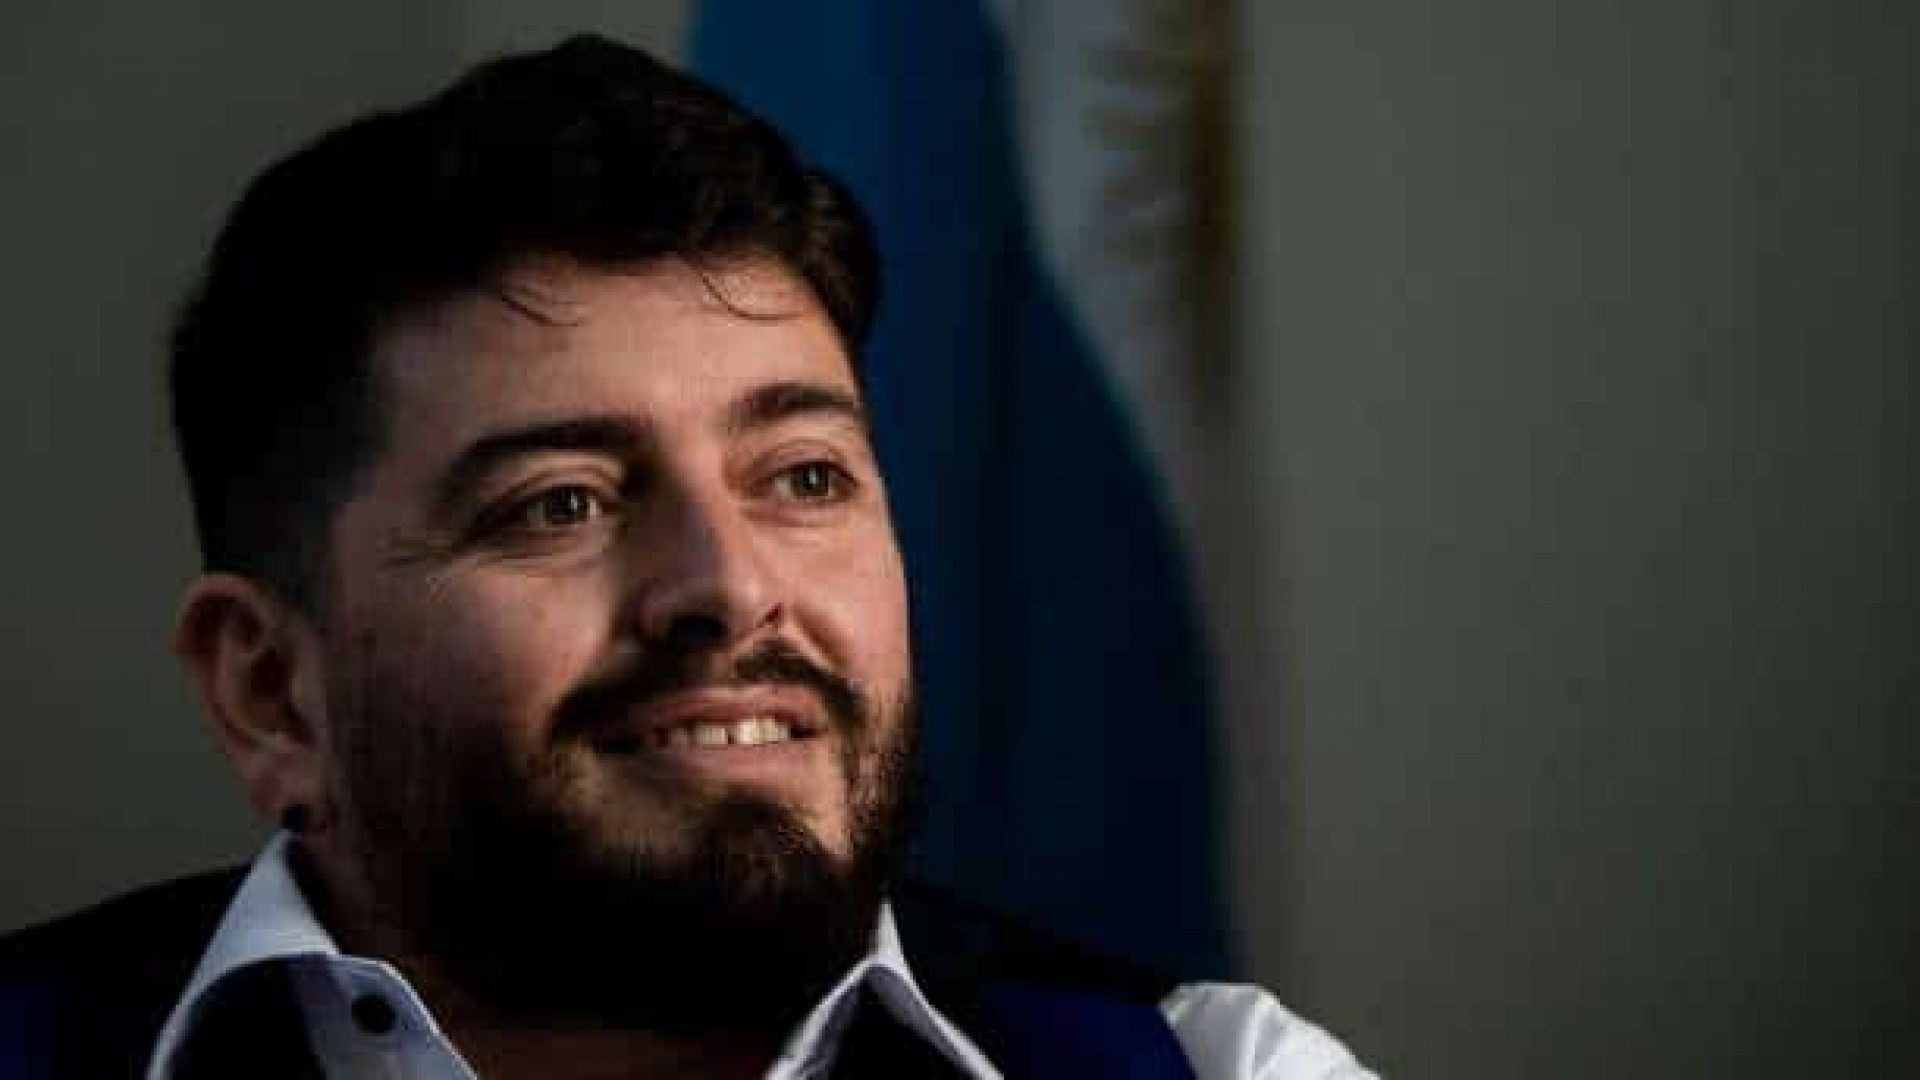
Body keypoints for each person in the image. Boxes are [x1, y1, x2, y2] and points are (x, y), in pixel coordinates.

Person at [0, 35, 1375, 1080]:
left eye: (806, 477)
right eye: (562, 504)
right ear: (268, 691)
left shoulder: (1212, 1065)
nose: (728, 587)